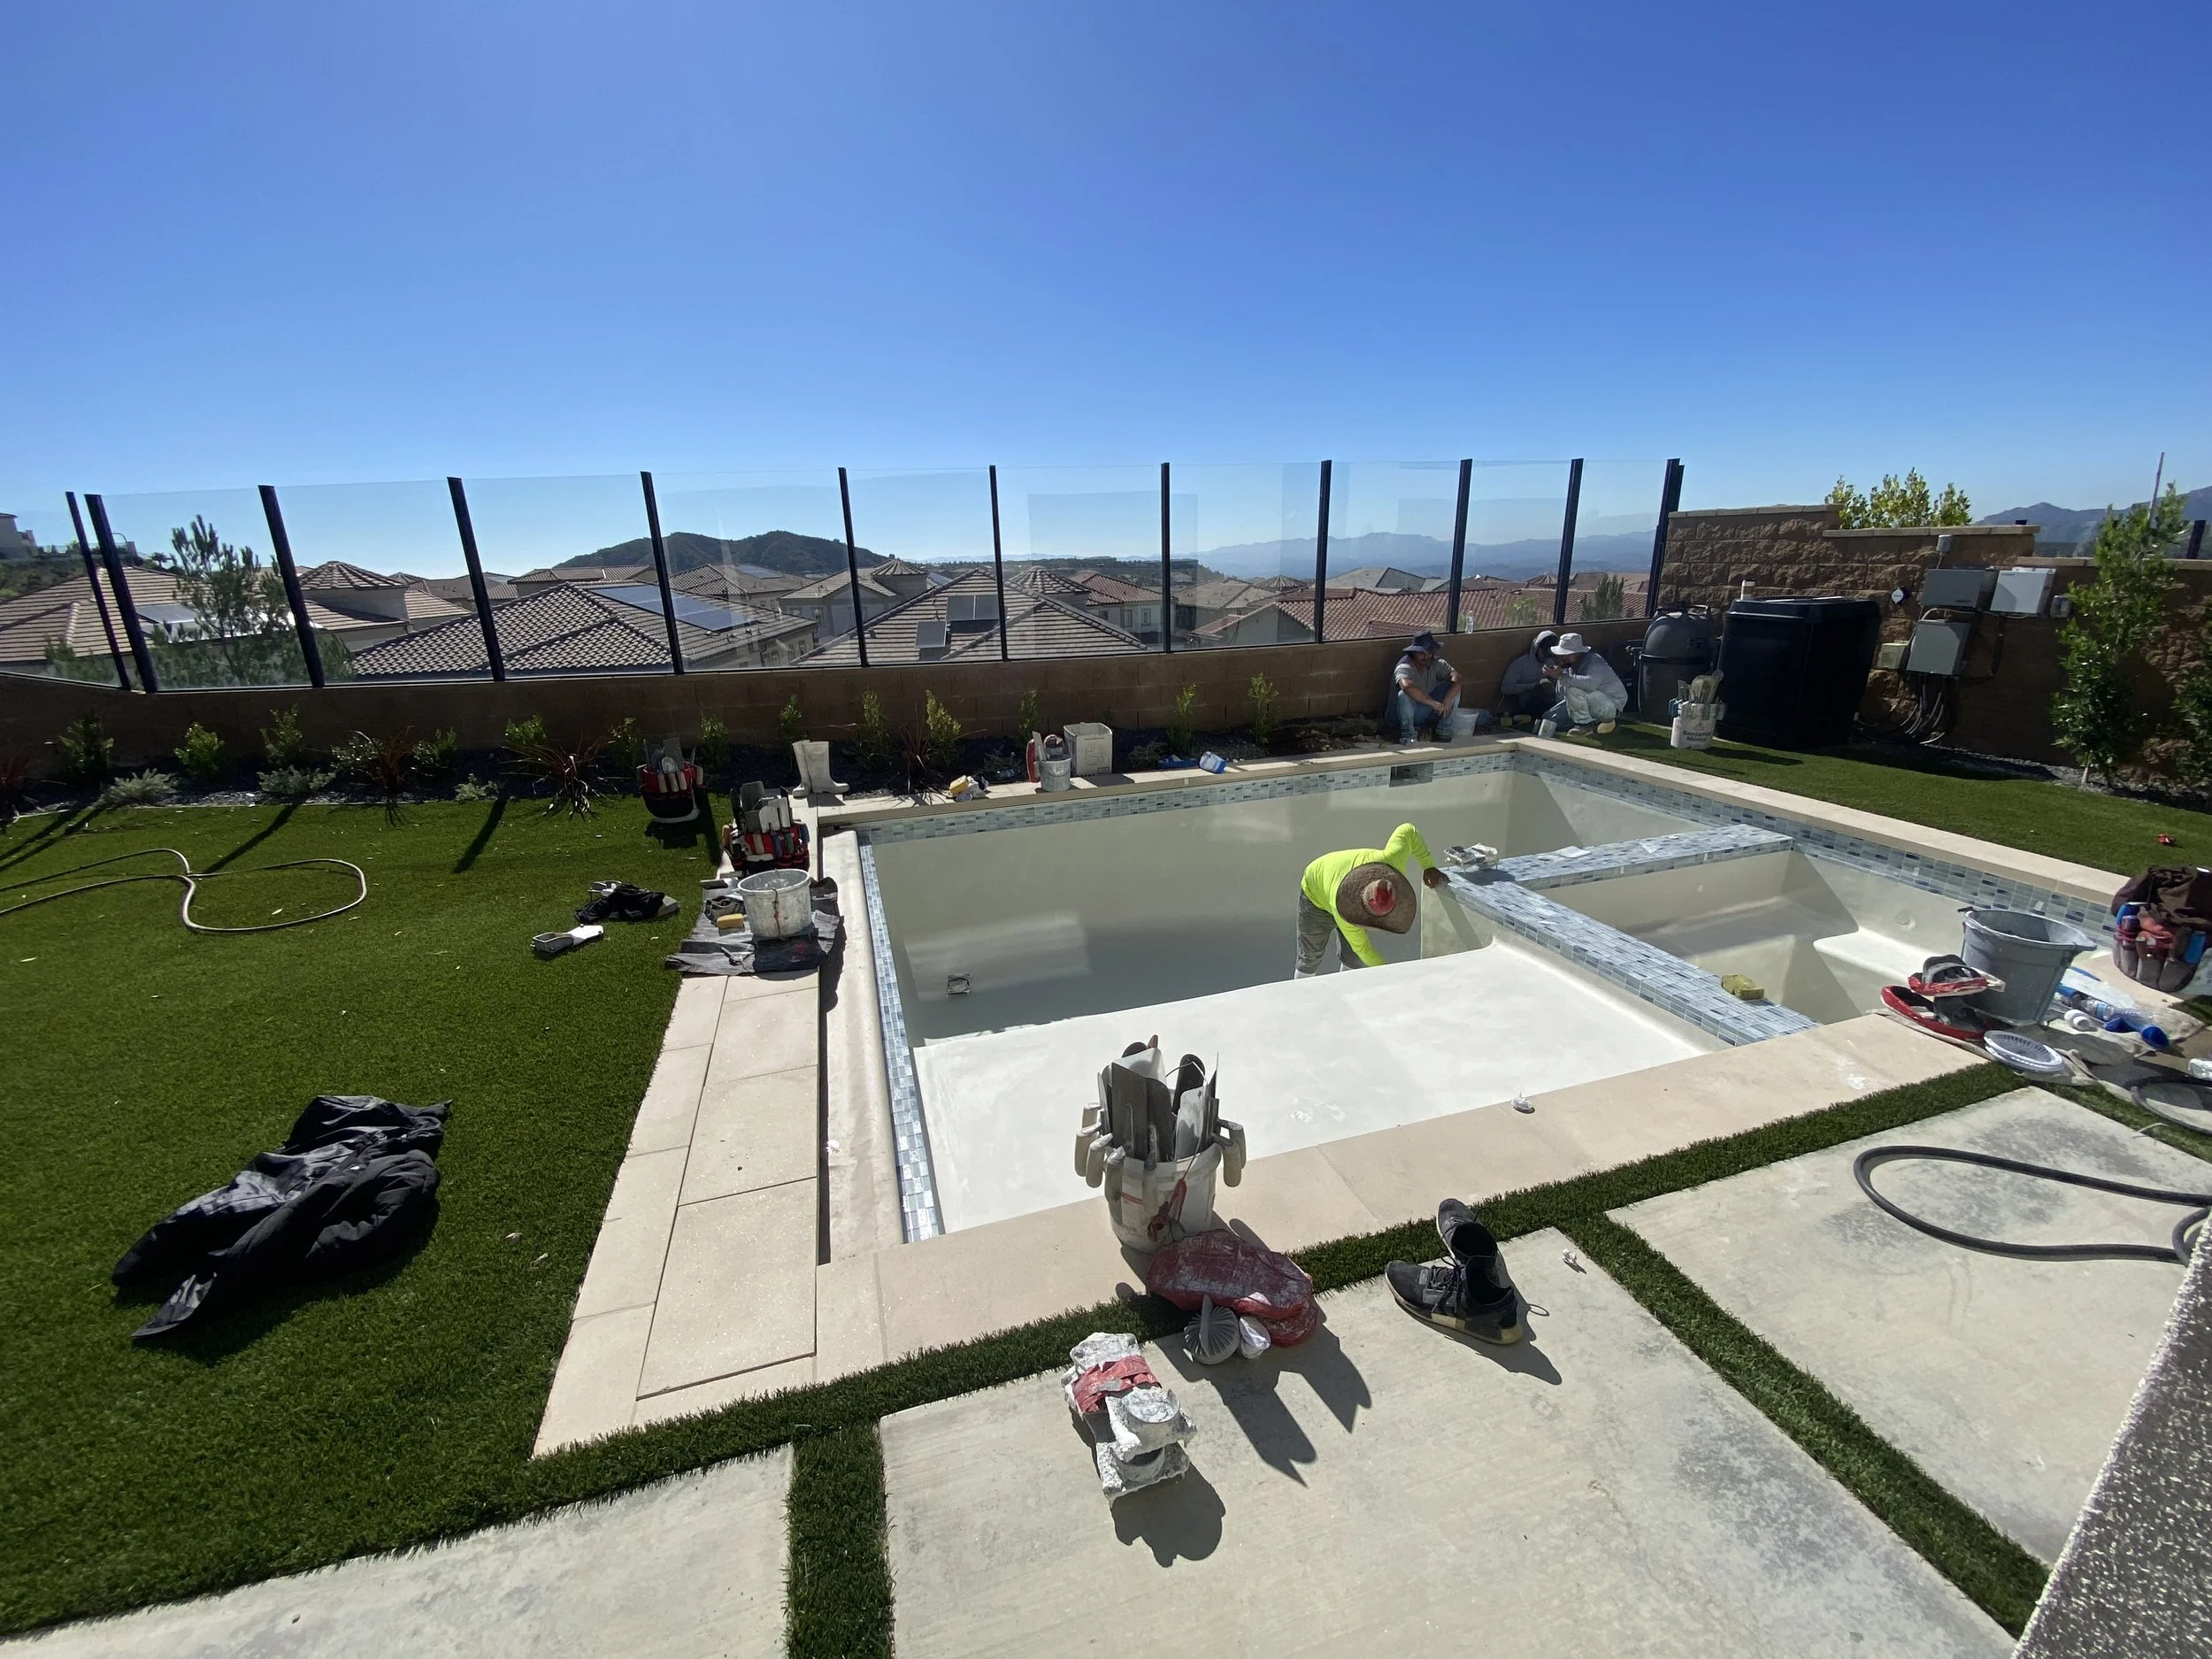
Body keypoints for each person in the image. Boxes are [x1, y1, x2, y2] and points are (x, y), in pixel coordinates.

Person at [1296, 821, 1448, 977]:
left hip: (1333, 884)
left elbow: (1407, 830)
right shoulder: (1344, 913)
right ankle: (1300, 994)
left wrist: (1428, 866)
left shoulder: (1393, 859)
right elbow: (1363, 949)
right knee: (1309, 959)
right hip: (1315, 896)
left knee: (1353, 960)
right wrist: (1387, 973)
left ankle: (1348, 989)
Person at [1539, 631, 1627, 736]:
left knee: (1573, 687)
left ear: (1578, 653)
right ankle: (1597, 722)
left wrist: (1560, 676)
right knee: (1549, 719)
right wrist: (1555, 677)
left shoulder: (1594, 661)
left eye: (1567, 654)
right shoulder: (1568, 666)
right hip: (1587, 704)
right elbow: (1565, 695)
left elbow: (1590, 684)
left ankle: (1586, 725)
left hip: (1611, 704)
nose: (1563, 657)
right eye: (1561, 654)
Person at [1390, 632, 1463, 743]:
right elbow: (1407, 686)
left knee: (1454, 690)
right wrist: (1433, 703)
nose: (1426, 656)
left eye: (1429, 652)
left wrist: (1448, 698)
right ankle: (1408, 735)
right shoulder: (1404, 666)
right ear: (1414, 652)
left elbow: (1457, 677)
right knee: (1403, 695)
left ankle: (1444, 732)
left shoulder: (1436, 662)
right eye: (1422, 653)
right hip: (1404, 713)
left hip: (1427, 710)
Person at [1494, 628, 1559, 726]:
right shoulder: (1520, 664)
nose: (1545, 657)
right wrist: (1535, 685)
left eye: (1549, 654)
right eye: (1544, 653)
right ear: (1536, 648)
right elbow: (1505, 688)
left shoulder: (1551, 662)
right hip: (1530, 703)